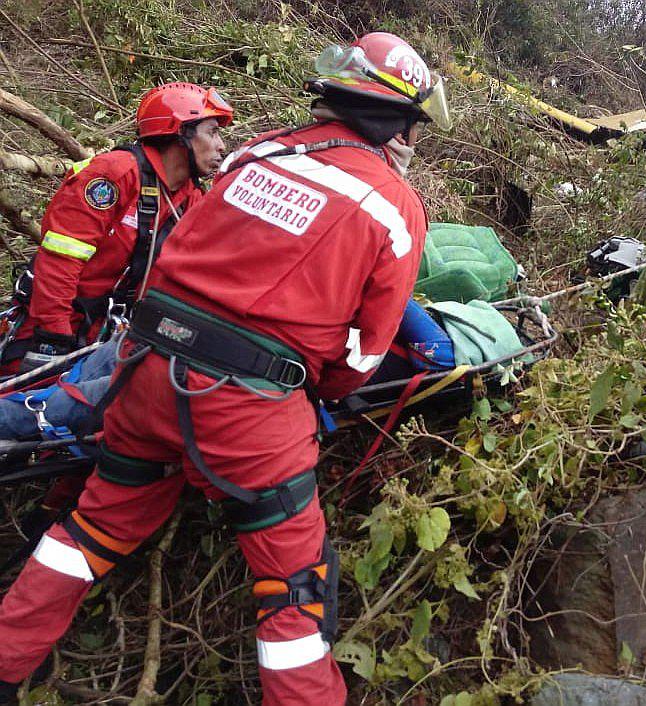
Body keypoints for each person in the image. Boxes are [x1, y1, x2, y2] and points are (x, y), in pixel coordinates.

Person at [0, 31, 450, 705]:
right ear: (397, 123)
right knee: (295, 591)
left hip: (143, 373)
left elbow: (181, 256)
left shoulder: (258, 153)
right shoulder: (394, 204)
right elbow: (363, 354)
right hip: (246, 411)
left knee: (88, 532)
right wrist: (308, 389)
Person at [0, 83, 233, 374]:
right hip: (54, 326)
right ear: (180, 132)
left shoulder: (189, 197)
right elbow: (61, 260)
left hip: (113, 335)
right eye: (212, 132)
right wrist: (54, 336)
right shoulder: (114, 174)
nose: (221, 146)